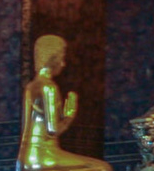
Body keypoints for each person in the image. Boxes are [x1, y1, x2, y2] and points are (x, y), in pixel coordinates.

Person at [16, 35, 111, 171]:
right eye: (62, 57)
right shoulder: (48, 87)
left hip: (25, 157)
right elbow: (53, 130)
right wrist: (69, 115)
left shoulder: (31, 86)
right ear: (52, 58)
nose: (63, 63)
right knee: (102, 168)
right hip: (44, 154)